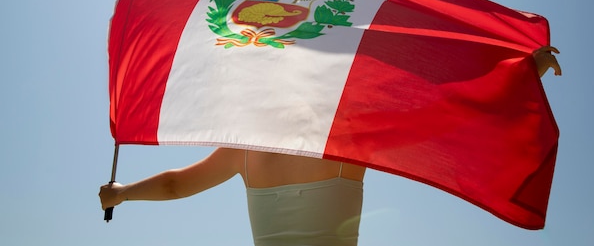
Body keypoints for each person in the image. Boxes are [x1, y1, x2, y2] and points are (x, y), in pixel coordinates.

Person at [100, 45, 561, 245]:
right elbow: (440, 118)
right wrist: (520, 78)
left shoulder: (243, 148)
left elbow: (177, 186)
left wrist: (122, 192)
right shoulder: (347, 139)